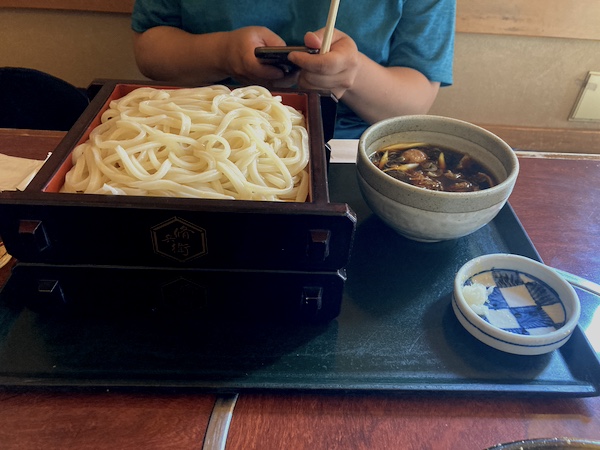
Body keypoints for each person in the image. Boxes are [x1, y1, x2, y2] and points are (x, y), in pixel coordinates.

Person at [131, 0, 455, 139]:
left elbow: (415, 99)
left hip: (345, 145)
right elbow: (149, 51)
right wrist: (222, 54)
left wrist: (351, 75)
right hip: (202, 128)